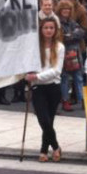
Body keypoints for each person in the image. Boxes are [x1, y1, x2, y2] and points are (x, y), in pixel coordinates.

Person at [26, 18, 65, 162]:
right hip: (38, 88)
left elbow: (56, 70)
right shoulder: (35, 47)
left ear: (55, 30)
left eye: (51, 28)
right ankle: (56, 147)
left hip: (53, 87)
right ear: (41, 30)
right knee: (43, 119)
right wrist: (30, 75)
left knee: (50, 120)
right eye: (46, 28)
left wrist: (37, 76)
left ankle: (43, 150)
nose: (49, 30)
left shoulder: (59, 47)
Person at [57, 0, 85, 111]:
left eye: (68, 9)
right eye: (64, 9)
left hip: (75, 54)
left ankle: (82, 100)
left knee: (78, 77)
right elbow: (61, 37)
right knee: (64, 78)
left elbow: (81, 32)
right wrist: (72, 35)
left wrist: (69, 35)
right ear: (60, 10)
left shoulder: (72, 22)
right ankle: (65, 100)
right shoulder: (57, 22)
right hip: (63, 53)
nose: (66, 11)